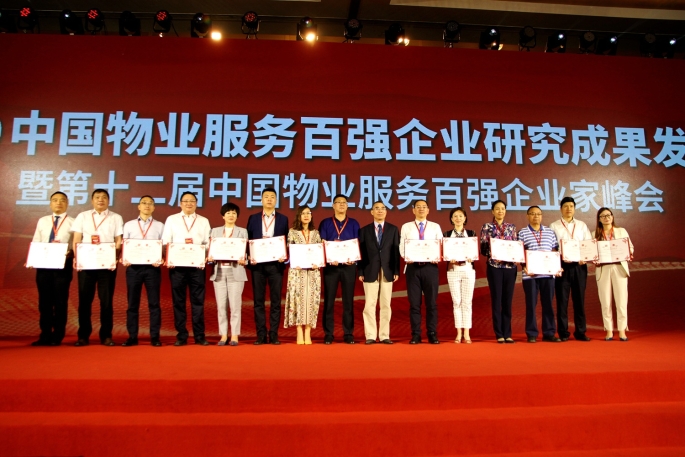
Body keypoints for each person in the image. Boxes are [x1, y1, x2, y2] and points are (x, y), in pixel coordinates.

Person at [71, 189, 124, 346]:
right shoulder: (83, 216)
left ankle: (106, 335)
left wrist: (114, 258)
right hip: (86, 264)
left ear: (109, 200)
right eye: (97, 197)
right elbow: (77, 239)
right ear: (92, 200)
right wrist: (77, 258)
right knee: (84, 301)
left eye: (104, 197)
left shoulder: (116, 217)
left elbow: (118, 240)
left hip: (106, 265)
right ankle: (83, 336)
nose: (101, 200)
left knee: (106, 301)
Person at [161, 191, 211, 346]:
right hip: (177, 266)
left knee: (198, 302)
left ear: (196, 203)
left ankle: (199, 336)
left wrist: (203, 255)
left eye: (192, 201)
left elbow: (207, 242)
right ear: (180, 203)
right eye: (186, 201)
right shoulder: (172, 219)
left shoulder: (203, 221)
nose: (189, 203)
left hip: (197, 266)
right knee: (179, 301)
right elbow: (166, 241)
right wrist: (169, 257)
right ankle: (181, 335)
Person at [30, 191, 74, 346]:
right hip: (43, 265)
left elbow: (76, 244)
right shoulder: (42, 221)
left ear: (67, 203)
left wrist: (71, 252)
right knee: (44, 302)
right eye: (55, 200)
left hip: (62, 265)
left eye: (62, 200)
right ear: (50, 203)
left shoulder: (73, 222)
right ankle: (45, 334)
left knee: (60, 301)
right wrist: (32, 258)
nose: (58, 203)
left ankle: (58, 335)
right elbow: (36, 241)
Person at [246, 187, 289, 345]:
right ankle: (261, 335)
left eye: (272, 197)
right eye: (266, 197)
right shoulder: (253, 218)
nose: (269, 199)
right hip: (258, 265)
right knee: (258, 301)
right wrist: (249, 255)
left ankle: (274, 334)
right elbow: (248, 239)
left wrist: (284, 255)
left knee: (276, 301)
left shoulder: (283, 219)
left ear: (276, 200)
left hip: (275, 266)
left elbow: (286, 240)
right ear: (261, 200)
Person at [121, 195, 165, 347]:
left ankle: (155, 337)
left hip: (152, 268)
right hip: (133, 268)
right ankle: (132, 336)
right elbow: (125, 244)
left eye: (150, 203)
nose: (147, 205)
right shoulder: (129, 225)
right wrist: (125, 257)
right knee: (132, 304)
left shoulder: (160, 226)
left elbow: (163, 246)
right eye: (144, 203)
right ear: (138, 206)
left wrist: (162, 258)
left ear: (154, 207)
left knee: (154, 304)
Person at [549, 196, 593, 342]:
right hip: (562, 266)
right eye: (566, 206)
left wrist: (585, 257)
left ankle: (580, 332)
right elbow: (552, 247)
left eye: (571, 206)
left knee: (579, 300)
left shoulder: (581, 225)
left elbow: (588, 244)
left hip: (579, 266)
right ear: (561, 209)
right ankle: (563, 332)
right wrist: (559, 259)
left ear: (574, 208)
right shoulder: (554, 225)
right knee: (562, 301)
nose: (569, 209)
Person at [318, 194, 360, 344]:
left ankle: (348, 333)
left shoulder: (354, 223)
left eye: (344, 202)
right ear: (333, 205)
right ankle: (328, 333)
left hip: (349, 267)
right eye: (338, 202)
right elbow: (322, 243)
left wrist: (354, 258)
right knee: (329, 301)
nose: (341, 204)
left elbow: (357, 244)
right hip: (331, 267)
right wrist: (329, 258)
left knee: (348, 301)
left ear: (347, 206)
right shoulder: (325, 223)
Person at [399, 199, 443, 344]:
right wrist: (407, 256)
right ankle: (416, 334)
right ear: (413, 210)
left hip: (430, 268)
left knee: (431, 303)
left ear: (428, 210)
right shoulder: (406, 227)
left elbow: (440, 244)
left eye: (424, 207)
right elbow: (402, 246)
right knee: (414, 304)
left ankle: (432, 333)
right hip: (413, 268)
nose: (421, 209)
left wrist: (438, 256)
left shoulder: (435, 226)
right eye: (418, 207)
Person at [518, 206, 562, 343]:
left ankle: (549, 333)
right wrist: (524, 267)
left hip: (548, 275)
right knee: (531, 305)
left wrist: (557, 267)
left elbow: (555, 251)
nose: (535, 216)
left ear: (542, 216)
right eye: (532, 214)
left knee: (548, 304)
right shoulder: (522, 233)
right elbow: (519, 253)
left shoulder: (550, 232)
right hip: (530, 275)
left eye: (538, 214)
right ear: (527, 216)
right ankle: (531, 333)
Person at [358, 201, 400, 345]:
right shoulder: (364, 230)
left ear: (386, 212)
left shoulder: (393, 229)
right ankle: (370, 335)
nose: (380, 211)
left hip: (387, 270)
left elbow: (395, 251)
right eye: (377, 208)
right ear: (372, 212)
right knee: (369, 304)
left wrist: (396, 270)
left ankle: (384, 335)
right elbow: (361, 252)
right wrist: (360, 270)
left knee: (386, 304)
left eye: (383, 208)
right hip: (369, 270)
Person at [208, 202, 248, 346]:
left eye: (234, 213)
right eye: (228, 213)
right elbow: (210, 250)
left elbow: (246, 251)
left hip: (235, 271)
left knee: (235, 305)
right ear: (223, 216)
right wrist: (210, 257)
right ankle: (223, 335)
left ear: (237, 216)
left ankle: (235, 335)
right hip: (219, 271)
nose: (231, 215)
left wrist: (244, 259)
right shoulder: (214, 231)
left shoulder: (242, 231)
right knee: (221, 306)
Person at [480, 200, 518, 344]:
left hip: (509, 268)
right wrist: (494, 252)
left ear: (505, 211)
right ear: (493, 211)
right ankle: (499, 333)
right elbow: (483, 249)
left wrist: (510, 254)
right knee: (496, 300)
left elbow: (515, 246)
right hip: (494, 267)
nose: (500, 211)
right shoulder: (487, 227)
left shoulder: (511, 227)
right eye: (497, 209)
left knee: (507, 301)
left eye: (502, 208)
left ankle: (508, 333)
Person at [594, 208, 634, 342]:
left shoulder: (621, 231)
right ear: (599, 219)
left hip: (619, 267)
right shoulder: (594, 234)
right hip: (603, 268)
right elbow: (591, 252)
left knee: (621, 300)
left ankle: (622, 330)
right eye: (603, 216)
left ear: (612, 217)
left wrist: (629, 253)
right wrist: (593, 258)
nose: (606, 218)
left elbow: (630, 247)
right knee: (605, 301)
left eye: (608, 215)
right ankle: (609, 330)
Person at [284, 206, 322, 345]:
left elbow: (319, 252)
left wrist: (319, 262)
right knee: (298, 299)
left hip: (313, 272)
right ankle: (299, 330)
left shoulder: (316, 233)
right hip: (297, 271)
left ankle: (308, 331)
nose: (306, 215)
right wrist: (294, 260)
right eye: (303, 213)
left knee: (311, 299)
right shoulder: (292, 232)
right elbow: (289, 250)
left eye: (308, 213)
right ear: (298, 216)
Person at [443, 207, 477, 344]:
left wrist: (472, 257)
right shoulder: (446, 234)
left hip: (468, 269)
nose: (458, 218)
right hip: (453, 270)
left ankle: (467, 333)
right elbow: (443, 253)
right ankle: (458, 332)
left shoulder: (471, 233)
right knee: (456, 302)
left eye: (460, 216)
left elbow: (475, 252)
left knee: (467, 302)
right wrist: (448, 258)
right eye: (455, 216)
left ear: (465, 218)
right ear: (451, 219)